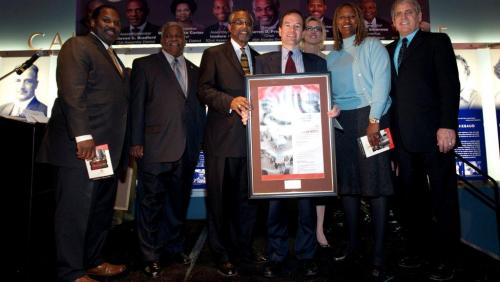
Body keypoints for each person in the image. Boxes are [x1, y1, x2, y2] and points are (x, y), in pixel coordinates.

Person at [37, 5, 128, 282]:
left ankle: (92, 261)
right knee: (75, 212)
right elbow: (71, 93)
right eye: (106, 20)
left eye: (116, 22)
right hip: (81, 149)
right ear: (92, 21)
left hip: (105, 152)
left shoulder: (111, 55)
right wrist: (83, 136)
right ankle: (70, 272)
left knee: (99, 210)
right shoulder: (78, 46)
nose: (112, 25)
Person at [386, 0, 461, 281]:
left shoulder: (437, 42)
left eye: (409, 12)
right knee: (412, 201)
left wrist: (447, 126)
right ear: (392, 21)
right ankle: (418, 251)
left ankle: (447, 258)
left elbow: (449, 85)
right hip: (403, 142)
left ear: (419, 17)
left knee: (443, 199)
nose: (403, 17)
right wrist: (391, 146)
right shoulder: (389, 50)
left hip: (435, 137)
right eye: (398, 14)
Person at [129, 21, 206, 278]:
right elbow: (137, 106)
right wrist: (136, 142)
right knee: (150, 205)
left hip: (187, 149)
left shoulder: (195, 71)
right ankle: (150, 255)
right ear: (162, 39)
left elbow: (197, 110)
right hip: (153, 148)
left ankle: (173, 248)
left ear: (185, 40)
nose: (174, 39)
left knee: (177, 204)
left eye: (179, 35)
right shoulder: (144, 65)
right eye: (169, 35)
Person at [254, 9, 326, 278]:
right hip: (274, 145)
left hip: (307, 145)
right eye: (288, 25)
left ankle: (307, 256)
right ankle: (276, 256)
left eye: (299, 26)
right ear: (279, 30)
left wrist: (332, 110)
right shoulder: (264, 62)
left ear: (302, 32)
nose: (293, 31)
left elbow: (325, 99)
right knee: (276, 206)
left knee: (307, 205)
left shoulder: (317, 64)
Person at [328, 3, 393, 280]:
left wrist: (374, 119)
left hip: (373, 119)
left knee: (377, 186)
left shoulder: (374, 47)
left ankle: (379, 254)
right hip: (343, 125)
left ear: (358, 20)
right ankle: (354, 247)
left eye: (350, 16)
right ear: (336, 22)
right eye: (341, 17)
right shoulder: (331, 56)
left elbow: (382, 83)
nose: (346, 21)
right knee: (349, 188)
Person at [198, 9, 265, 277]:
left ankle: (244, 249)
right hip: (222, 143)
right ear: (229, 26)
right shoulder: (213, 54)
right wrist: (230, 101)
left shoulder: (259, 59)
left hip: (251, 144)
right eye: (239, 22)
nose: (244, 26)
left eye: (249, 23)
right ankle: (222, 253)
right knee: (220, 203)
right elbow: (203, 90)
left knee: (247, 202)